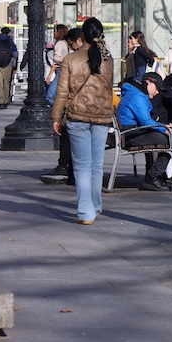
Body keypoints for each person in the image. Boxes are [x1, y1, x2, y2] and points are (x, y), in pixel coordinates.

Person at [51, 17, 116, 225]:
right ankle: (95, 205)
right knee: (97, 164)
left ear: (81, 36)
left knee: (82, 165)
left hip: (77, 115)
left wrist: (55, 117)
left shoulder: (71, 59)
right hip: (101, 115)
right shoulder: (108, 59)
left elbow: (62, 92)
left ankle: (86, 211)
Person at [117, 71, 172, 192]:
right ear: (149, 82)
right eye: (157, 88)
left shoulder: (135, 94)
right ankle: (153, 177)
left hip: (131, 132)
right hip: (131, 135)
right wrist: (164, 129)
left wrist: (163, 126)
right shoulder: (137, 96)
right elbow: (145, 121)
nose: (157, 92)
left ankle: (155, 174)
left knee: (168, 136)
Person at [43, 28, 85, 186]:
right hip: (98, 112)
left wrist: (57, 116)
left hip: (74, 110)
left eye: (71, 44)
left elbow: (56, 93)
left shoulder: (71, 60)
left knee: (70, 137)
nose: (71, 48)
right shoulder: (104, 58)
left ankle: (66, 168)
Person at [0, 26, 18, 109]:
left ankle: (0, 102)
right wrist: (12, 63)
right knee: (6, 84)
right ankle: (6, 101)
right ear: (8, 33)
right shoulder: (10, 41)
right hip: (7, 65)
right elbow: (15, 54)